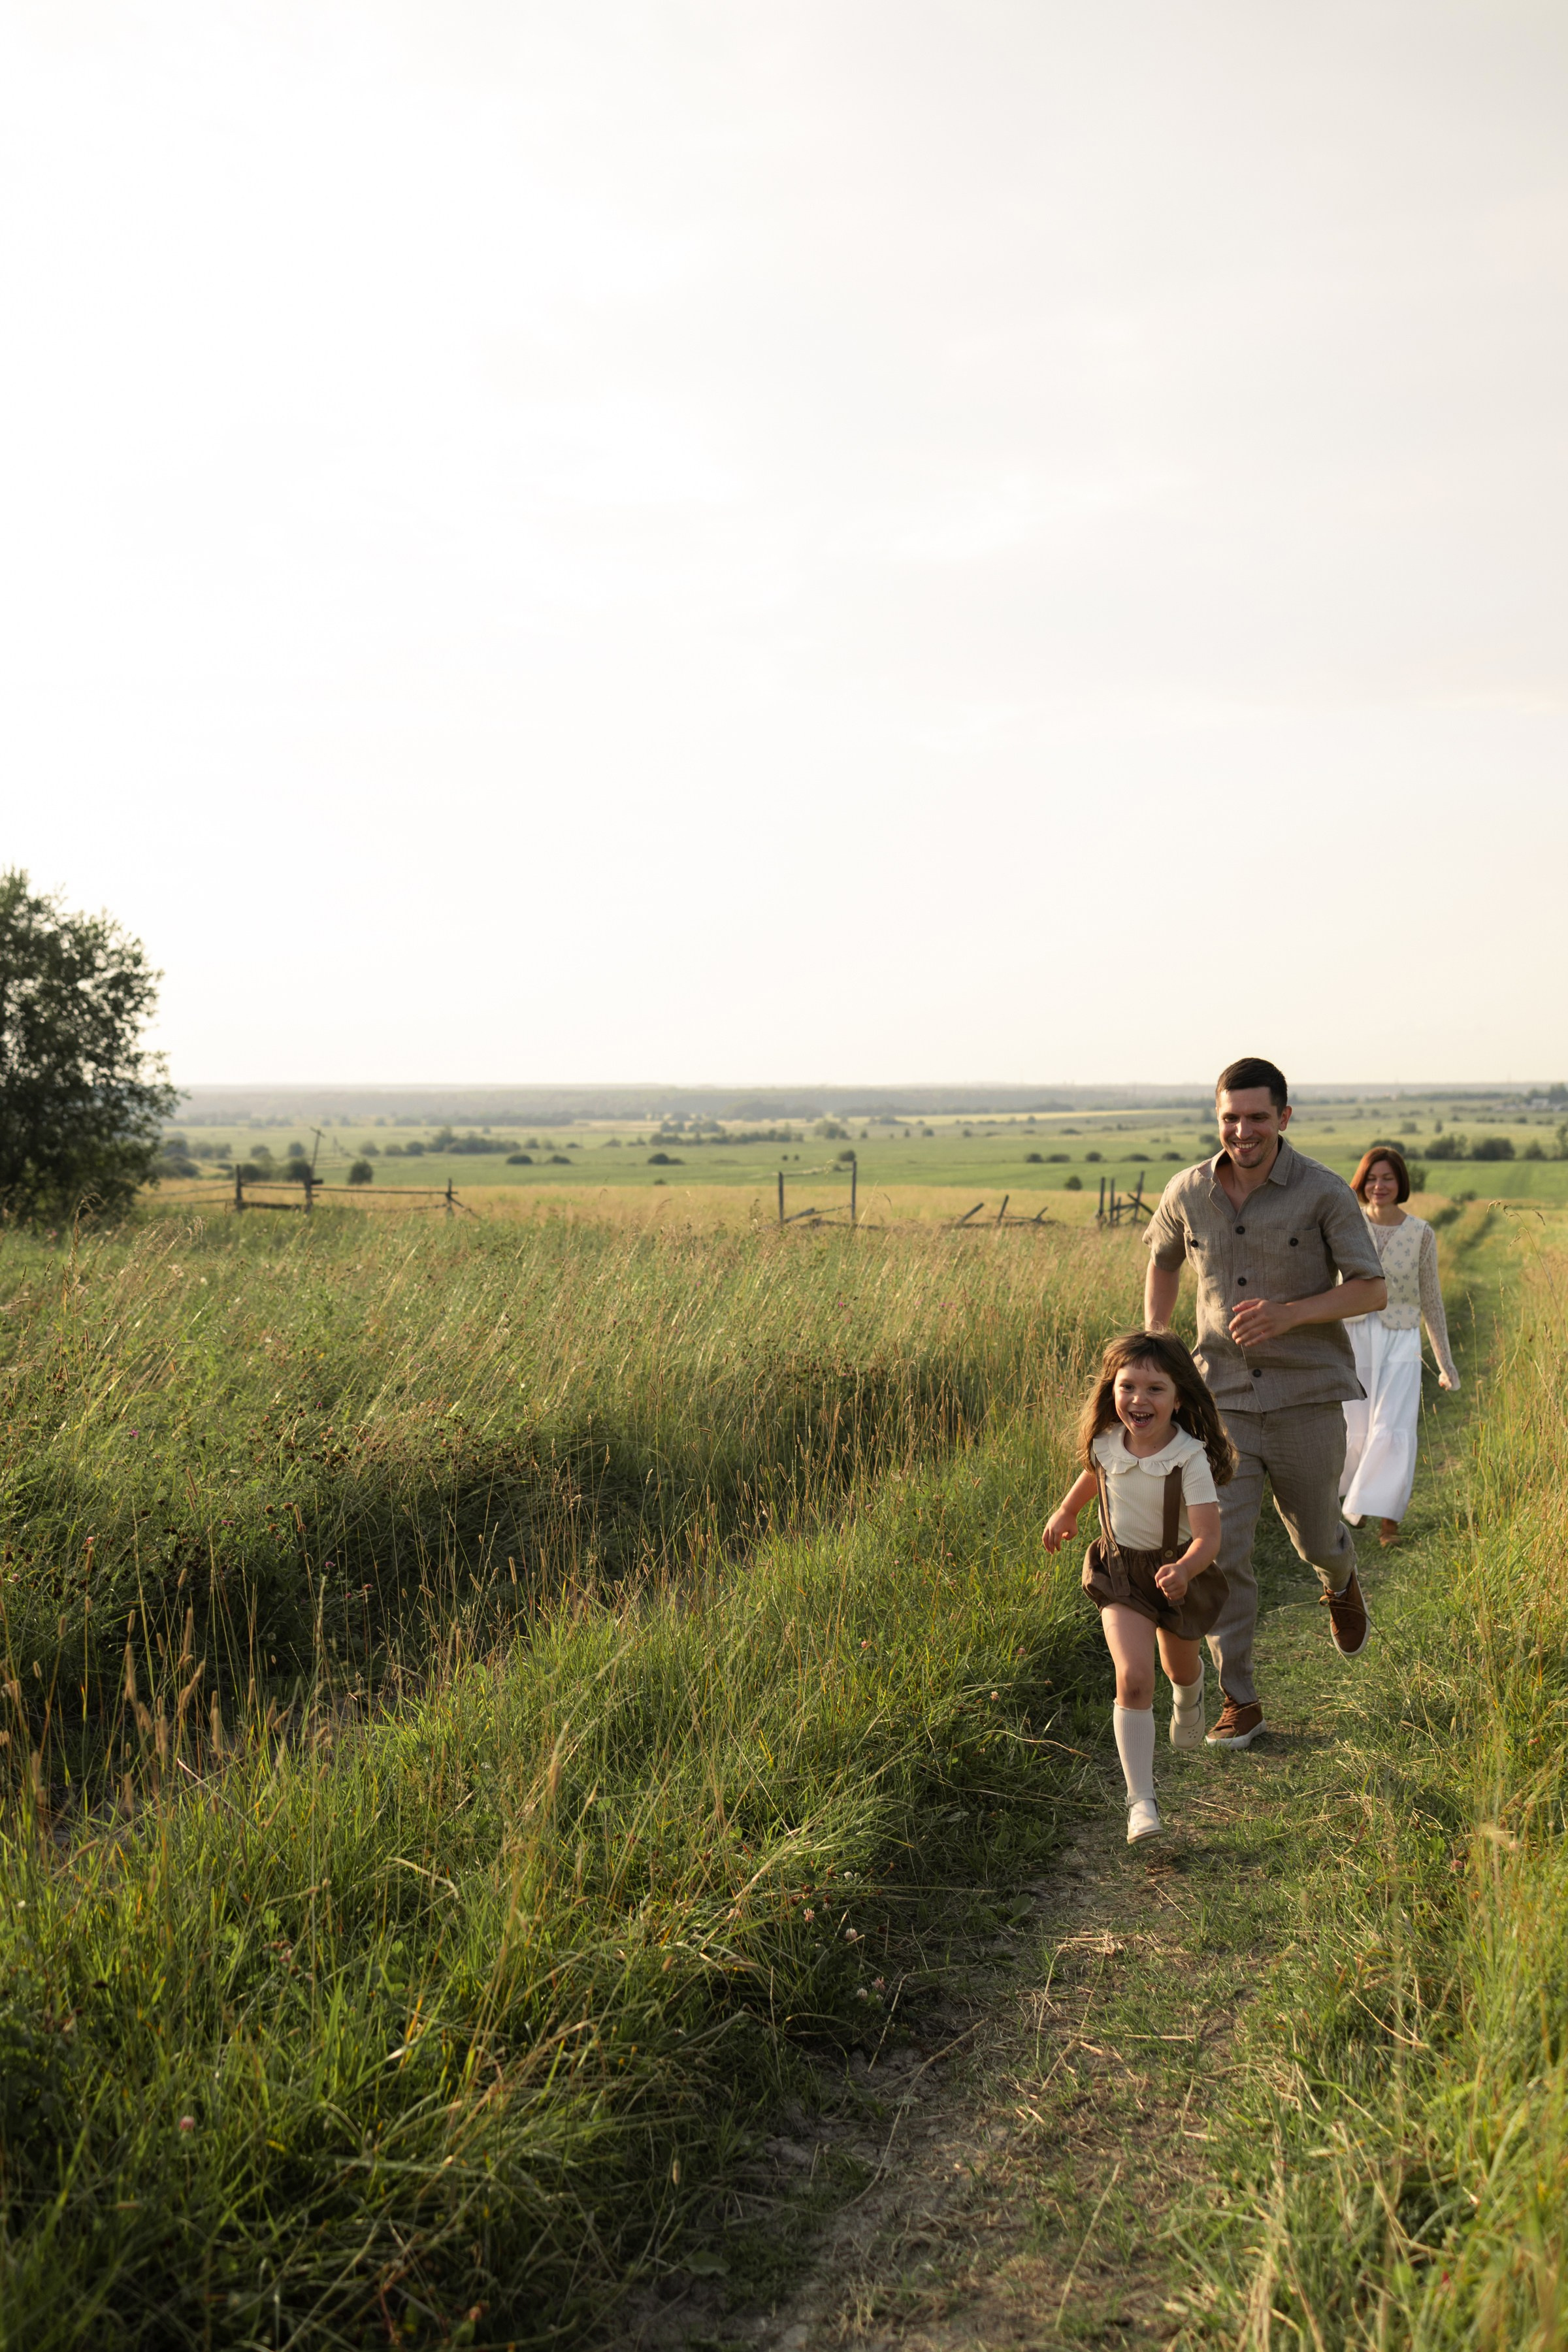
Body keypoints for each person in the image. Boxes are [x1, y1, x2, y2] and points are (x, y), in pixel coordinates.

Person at [1143, 1058, 1388, 1751]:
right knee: (1220, 1553)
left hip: (1307, 1393)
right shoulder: (1187, 1190)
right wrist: (1160, 1339)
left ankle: (1340, 1578)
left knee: (1315, 1536)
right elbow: (1163, 1258)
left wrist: (1288, 1315)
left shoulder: (1323, 1194)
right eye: (1230, 1117)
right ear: (1217, 1117)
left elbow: (1371, 1289)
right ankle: (1240, 1699)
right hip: (1219, 1400)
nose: (1242, 1130)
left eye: (1256, 1117)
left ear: (1283, 1117)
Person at [1042, 1330, 1233, 1842]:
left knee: (1179, 1667)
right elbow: (1095, 1475)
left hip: (1177, 1576)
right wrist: (1067, 1511)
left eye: (1154, 1389)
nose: (1138, 1400)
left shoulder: (1189, 1458)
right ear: (1112, 1391)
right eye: (1128, 1387)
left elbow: (1210, 1536)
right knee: (1132, 1679)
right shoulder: (1106, 1443)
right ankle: (1141, 1802)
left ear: (1178, 1398)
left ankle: (1189, 1697)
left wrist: (1187, 1570)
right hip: (1120, 1576)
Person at [1340, 1144, 1459, 1546]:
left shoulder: (1421, 1233)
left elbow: (1432, 1299)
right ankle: (1348, 1501)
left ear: (1400, 1182)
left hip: (1401, 1338)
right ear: (1362, 1182)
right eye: (1372, 1178)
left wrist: (1446, 1364)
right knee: (1354, 1424)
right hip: (1352, 1335)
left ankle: (1385, 1518)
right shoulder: (1344, 1224)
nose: (1379, 1186)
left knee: (1393, 1423)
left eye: (1388, 1178)